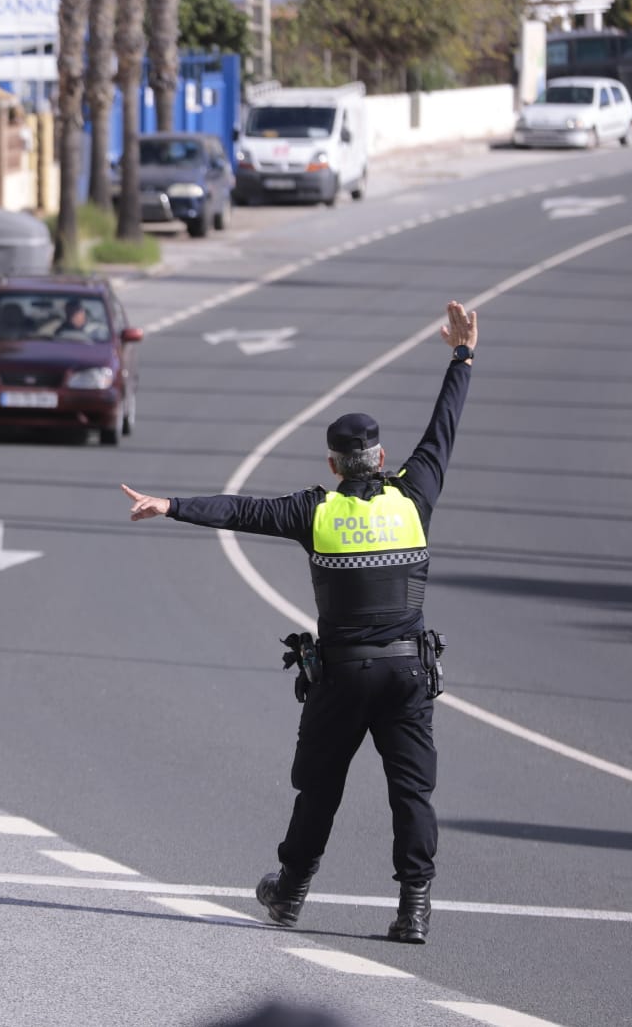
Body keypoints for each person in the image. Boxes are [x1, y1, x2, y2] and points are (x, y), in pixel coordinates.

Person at [119, 301, 477, 945]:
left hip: (343, 675)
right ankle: (414, 909)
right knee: (412, 794)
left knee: (319, 788)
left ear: (335, 465)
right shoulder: (415, 496)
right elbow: (442, 429)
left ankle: (289, 896)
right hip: (406, 673)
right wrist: (462, 356)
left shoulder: (314, 511)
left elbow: (240, 510)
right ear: (382, 457)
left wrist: (170, 504)